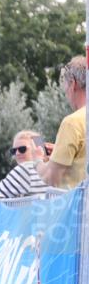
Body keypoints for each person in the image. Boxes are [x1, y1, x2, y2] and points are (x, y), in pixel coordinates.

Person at [38, 56, 87, 189]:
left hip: (77, 201)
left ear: (73, 84)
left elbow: (51, 179)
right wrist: (58, 152)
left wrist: (37, 160)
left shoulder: (72, 123)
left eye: (65, 86)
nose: (66, 93)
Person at [0, 130, 50, 200]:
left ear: (37, 149)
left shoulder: (24, 169)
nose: (17, 153)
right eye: (14, 151)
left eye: (22, 149)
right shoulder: (53, 169)